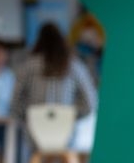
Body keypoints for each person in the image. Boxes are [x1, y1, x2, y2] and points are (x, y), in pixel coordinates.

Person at [10, 22, 98, 150]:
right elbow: (90, 103)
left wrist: (30, 116)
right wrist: (70, 115)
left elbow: (15, 103)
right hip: (67, 135)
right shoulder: (75, 67)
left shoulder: (28, 66)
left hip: (34, 136)